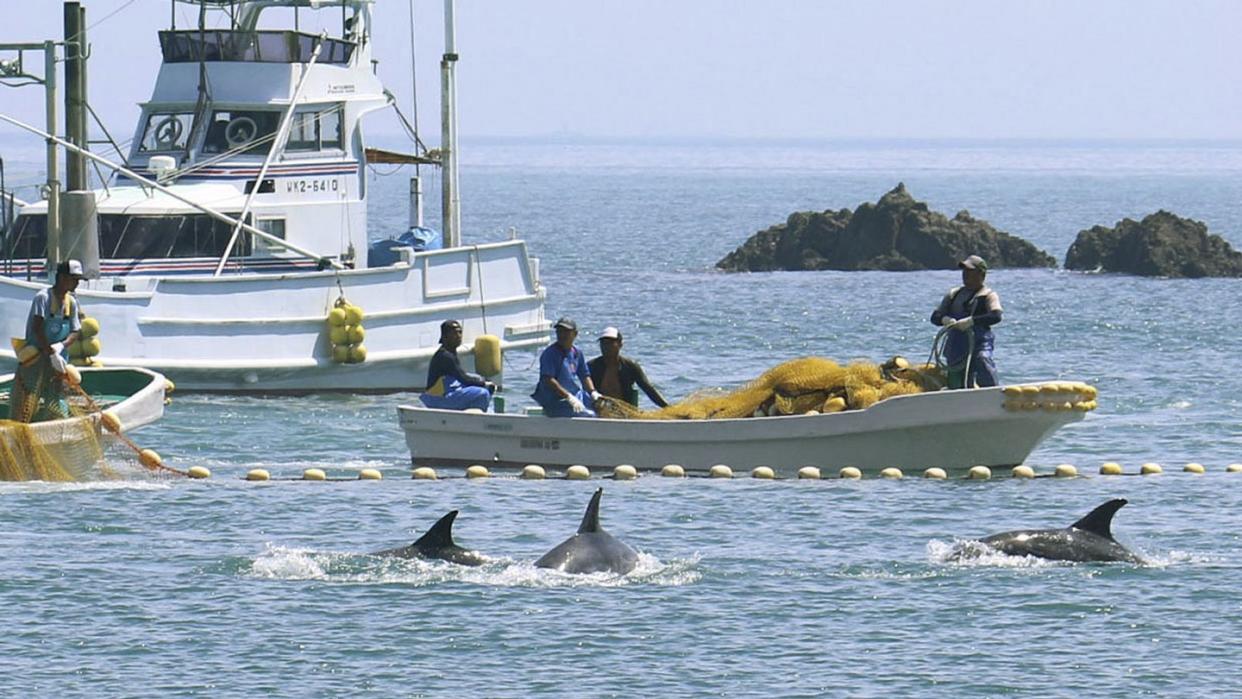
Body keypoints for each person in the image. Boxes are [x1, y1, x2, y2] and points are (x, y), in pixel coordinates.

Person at [8, 259, 85, 422]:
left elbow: (75, 331)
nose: (77, 284)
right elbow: (37, 327)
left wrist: (60, 346)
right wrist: (50, 352)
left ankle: (55, 430)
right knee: (25, 403)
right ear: (63, 278)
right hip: (35, 362)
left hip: (58, 362)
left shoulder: (71, 302)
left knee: (57, 400)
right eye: (74, 279)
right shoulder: (43, 298)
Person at [930, 254, 1003, 389]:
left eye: (970, 272)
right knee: (957, 378)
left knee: (982, 360)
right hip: (956, 344)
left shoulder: (988, 295)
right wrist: (945, 319)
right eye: (964, 272)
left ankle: (992, 393)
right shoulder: (953, 294)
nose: (965, 275)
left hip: (980, 342)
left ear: (981, 274)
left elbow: (996, 316)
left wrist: (971, 321)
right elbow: (935, 316)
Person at [420, 319, 497, 411]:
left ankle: (476, 411)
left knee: (478, 380)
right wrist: (484, 384)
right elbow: (463, 378)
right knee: (482, 393)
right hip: (438, 398)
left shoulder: (451, 352)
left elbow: (461, 376)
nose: (458, 336)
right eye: (454, 333)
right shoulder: (445, 356)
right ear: (445, 337)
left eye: (460, 332)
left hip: (448, 393)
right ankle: (477, 418)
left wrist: (482, 381)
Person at [531, 317, 600, 417]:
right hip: (555, 400)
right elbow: (548, 379)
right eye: (559, 331)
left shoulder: (577, 353)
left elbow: (584, 375)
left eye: (566, 332)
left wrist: (593, 392)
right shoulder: (550, 353)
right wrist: (568, 397)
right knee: (590, 415)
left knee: (600, 407)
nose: (562, 335)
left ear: (575, 334)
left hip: (575, 394)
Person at [587, 327, 669, 408]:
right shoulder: (592, 366)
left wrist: (667, 408)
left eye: (610, 343)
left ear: (620, 344)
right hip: (598, 409)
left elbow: (648, 389)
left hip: (624, 410)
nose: (606, 347)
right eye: (603, 343)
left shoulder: (630, 366)